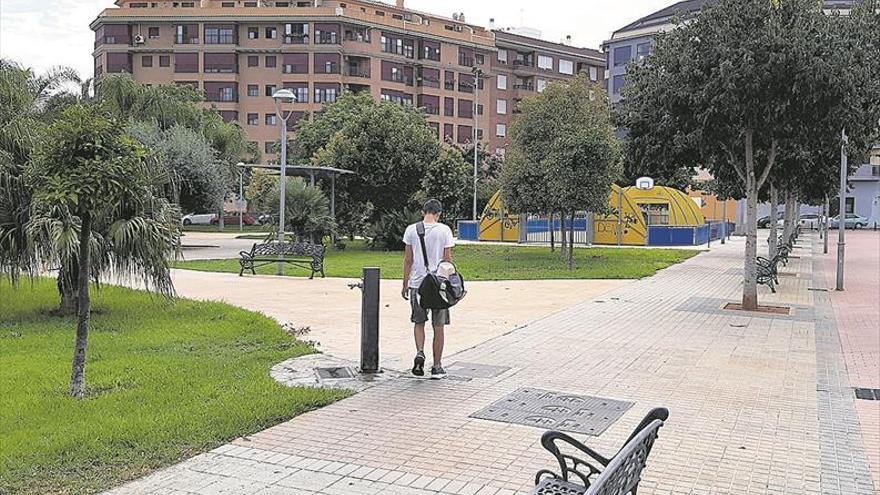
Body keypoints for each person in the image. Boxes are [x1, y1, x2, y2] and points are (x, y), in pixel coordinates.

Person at [402, 199, 455, 379]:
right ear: (438, 213)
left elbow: (408, 260)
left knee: (419, 322)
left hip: (417, 284)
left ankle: (419, 352)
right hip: (438, 286)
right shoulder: (444, 230)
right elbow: (447, 260)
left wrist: (405, 284)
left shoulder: (411, 230)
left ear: (423, 212)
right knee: (438, 326)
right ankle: (437, 366)